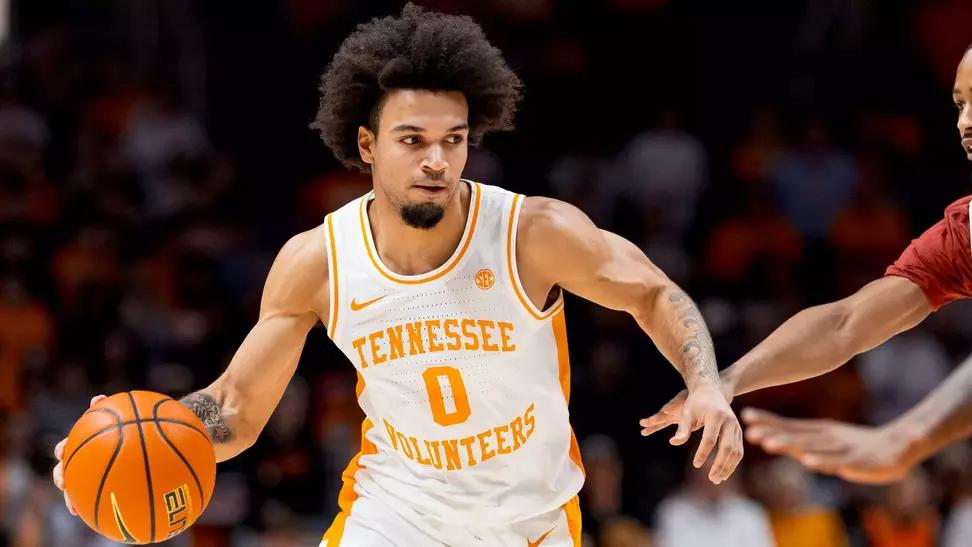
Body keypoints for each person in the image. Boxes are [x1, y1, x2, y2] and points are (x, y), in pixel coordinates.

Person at [50, 5, 742, 546]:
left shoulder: (532, 235)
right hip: (395, 512)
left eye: (454, 139)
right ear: (366, 144)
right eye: (412, 139)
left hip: (527, 520)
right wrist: (131, 437)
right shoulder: (318, 262)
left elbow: (653, 289)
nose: (436, 159)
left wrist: (705, 382)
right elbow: (233, 409)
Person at [641, 42, 972, 485]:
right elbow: (846, 323)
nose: (965, 123)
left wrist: (905, 437)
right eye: (959, 104)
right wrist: (727, 381)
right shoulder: (965, 231)